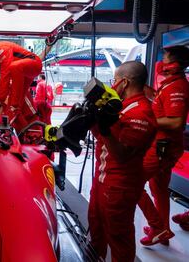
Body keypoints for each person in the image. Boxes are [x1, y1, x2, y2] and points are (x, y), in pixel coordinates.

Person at [88, 61, 157, 261]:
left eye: (115, 80)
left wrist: (105, 128)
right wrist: (94, 119)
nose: (113, 84)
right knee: (96, 228)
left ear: (124, 82)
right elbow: (102, 139)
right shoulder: (121, 107)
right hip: (102, 180)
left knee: (119, 238)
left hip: (120, 186)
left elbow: (122, 154)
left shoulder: (141, 113)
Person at [138, 45, 189, 245]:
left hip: (163, 146)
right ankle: (163, 228)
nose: (162, 60)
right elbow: (159, 100)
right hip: (163, 145)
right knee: (158, 187)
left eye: (166, 57)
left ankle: (157, 228)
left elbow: (176, 122)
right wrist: (140, 86)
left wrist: (146, 119)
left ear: (174, 64)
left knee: (132, 182)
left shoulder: (177, 87)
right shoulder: (171, 84)